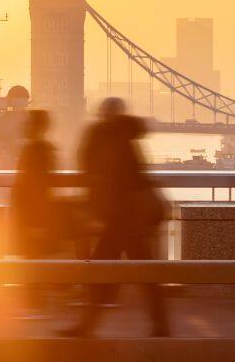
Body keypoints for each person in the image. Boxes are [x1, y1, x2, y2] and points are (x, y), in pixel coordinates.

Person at [61, 98, 170, 338]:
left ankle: (87, 325)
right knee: (143, 273)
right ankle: (160, 325)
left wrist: (93, 208)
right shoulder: (127, 139)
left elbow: (102, 179)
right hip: (131, 218)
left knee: (100, 270)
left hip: (121, 219)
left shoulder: (108, 139)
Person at [10, 109, 58, 317]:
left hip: (31, 216)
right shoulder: (39, 149)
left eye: (28, 122)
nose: (24, 125)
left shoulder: (36, 150)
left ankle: (34, 305)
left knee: (32, 260)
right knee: (32, 260)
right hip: (30, 216)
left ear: (36, 126)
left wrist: (37, 222)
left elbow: (37, 187)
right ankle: (33, 304)